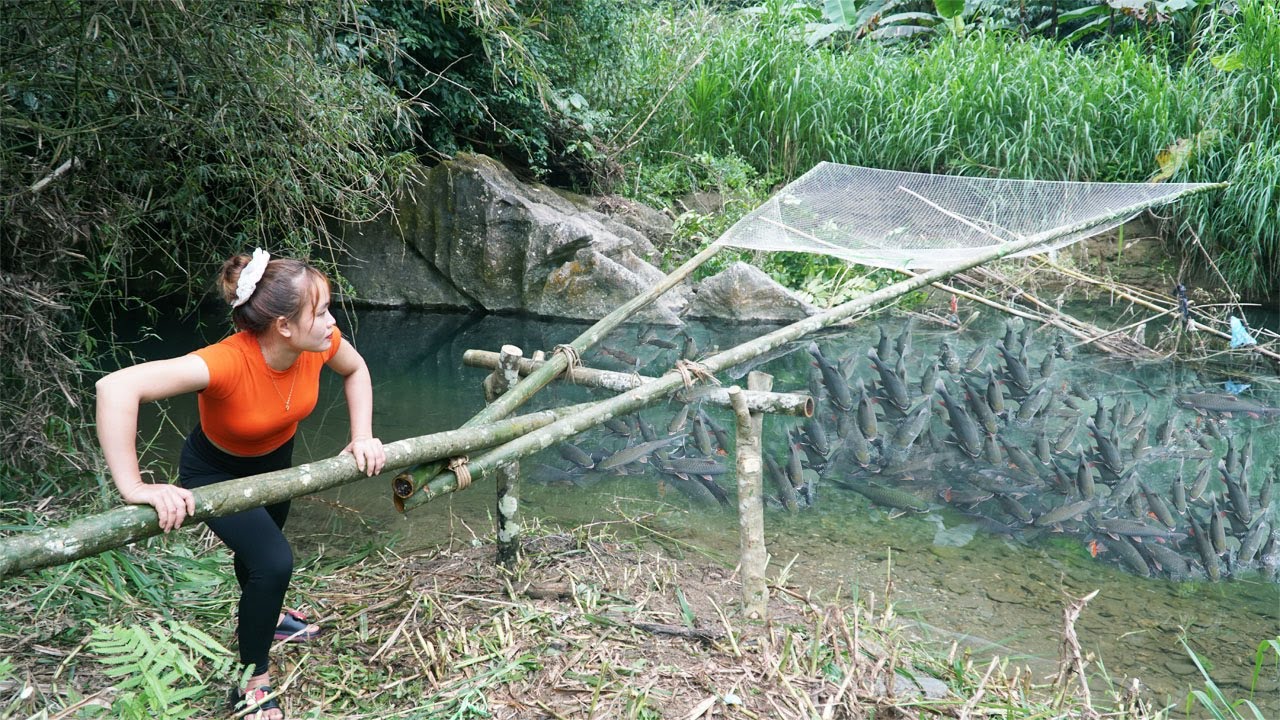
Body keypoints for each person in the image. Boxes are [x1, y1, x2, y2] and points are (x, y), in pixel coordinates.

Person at [95, 248, 386, 720]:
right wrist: (135, 486)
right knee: (274, 561)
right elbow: (115, 388)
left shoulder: (321, 344)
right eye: (322, 311)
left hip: (277, 465)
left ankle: (266, 619)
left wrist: (362, 436)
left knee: (258, 559)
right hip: (216, 472)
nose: (332, 321)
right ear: (284, 326)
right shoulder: (225, 362)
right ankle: (252, 681)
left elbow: (357, 371)